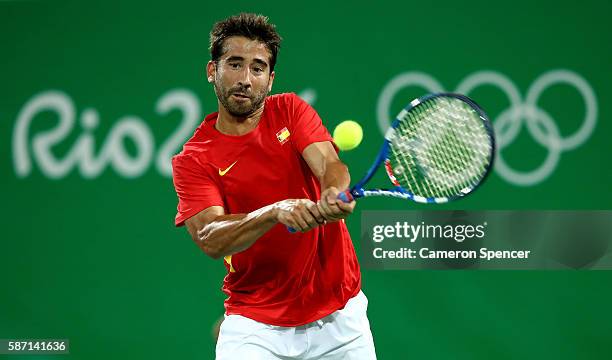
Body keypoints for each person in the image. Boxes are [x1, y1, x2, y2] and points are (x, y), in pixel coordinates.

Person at [171, 13, 376, 359]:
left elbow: (329, 164)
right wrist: (274, 212)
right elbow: (209, 237)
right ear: (212, 71)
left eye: (257, 68)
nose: (245, 79)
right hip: (255, 325)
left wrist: (331, 191)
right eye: (234, 65)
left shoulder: (290, 111)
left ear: (270, 78)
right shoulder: (193, 158)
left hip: (340, 319)